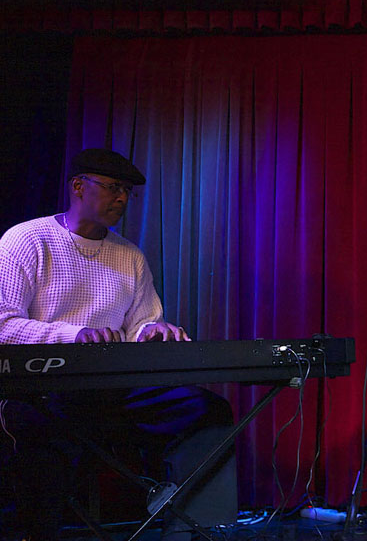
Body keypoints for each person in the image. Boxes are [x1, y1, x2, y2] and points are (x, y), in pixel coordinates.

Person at [0, 148, 236, 541]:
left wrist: (153, 331)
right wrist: (72, 335)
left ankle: (195, 530)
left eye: (126, 191)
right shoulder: (26, 241)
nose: (122, 198)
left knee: (207, 411)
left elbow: (141, 322)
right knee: (41, 431)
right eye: (112, 188)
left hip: (112, 390)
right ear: (78, 186)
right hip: (42, 390)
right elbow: (3, 324)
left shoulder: (129, 255)